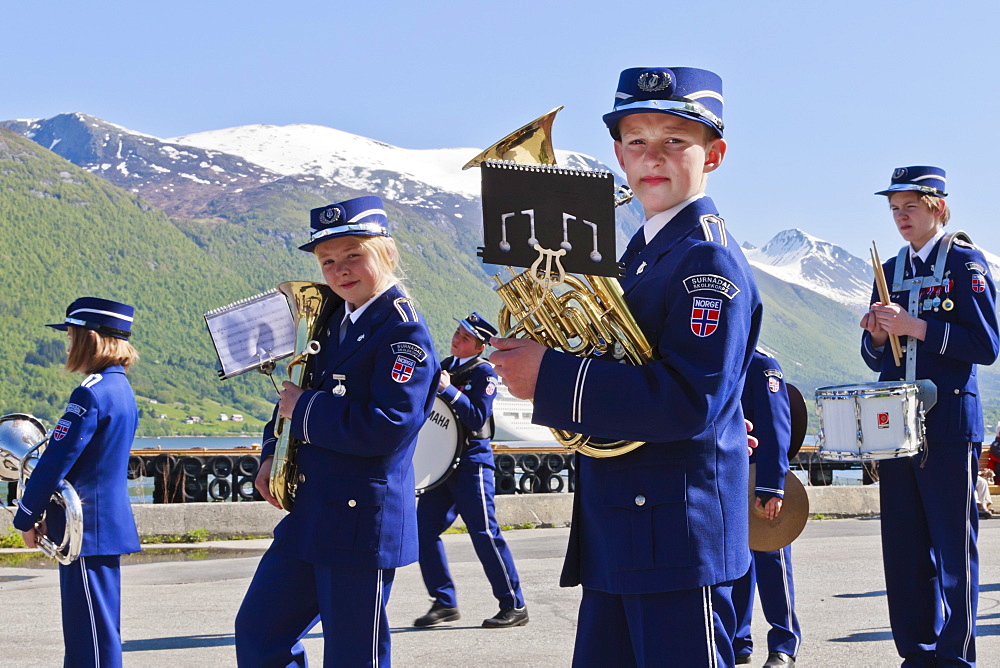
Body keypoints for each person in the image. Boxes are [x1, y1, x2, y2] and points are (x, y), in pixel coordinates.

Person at [491, 67, 763, 666]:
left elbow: (689, 401)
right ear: (617, 154)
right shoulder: (641, 251)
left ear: (713, 155)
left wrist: (552, 376)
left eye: (675, 141)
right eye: (636, 141)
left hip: (673, 534)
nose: (652, 157)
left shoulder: (706, 258)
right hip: (624, 527)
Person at [234, 195, 440, 667]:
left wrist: (305, 409)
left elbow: (387, 428)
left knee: (353, 656)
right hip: (312, 513)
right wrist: (271, 453)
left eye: (354, 255)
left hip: (359, 523)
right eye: (328, 260)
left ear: (385, 253)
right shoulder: (329, 320)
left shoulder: (404, 333)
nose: (340, 269)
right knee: (259, 632)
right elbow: (293, 392)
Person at [860, 166, 999, 666]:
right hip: (896, 424)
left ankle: (955, 656)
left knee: (953, 550)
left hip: (947, 424)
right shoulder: (890, 268)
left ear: (937, 206)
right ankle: (916, 652)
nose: (900, 217)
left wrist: (916, 325)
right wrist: (877, 334)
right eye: (894, 209)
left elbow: (986, 345)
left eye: (909, 207)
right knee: (903, 548)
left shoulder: (965, 262)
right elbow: (877, 355)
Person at [14, 297, 141, 667]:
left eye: (71, 336)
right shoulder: (120, 388)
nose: (68, 346)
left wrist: (26, 516)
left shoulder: (90, 392)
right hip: (99, 527)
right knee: (93, 632)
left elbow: (56, 460)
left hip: (86, 530)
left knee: (92, 640)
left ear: (90, 338)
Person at [413, 312, 528, 629]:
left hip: (472, 462)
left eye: (465, 337)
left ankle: (514, 603)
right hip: (442, 464)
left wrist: (449, 391)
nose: (456, 338)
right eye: (457, 332)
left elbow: (477, 416)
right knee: (423, 532)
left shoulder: (484, 373)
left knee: (484, 533)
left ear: (479, 347)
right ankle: (444, 601)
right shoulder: (444, 369)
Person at [733, 350, 801, 667]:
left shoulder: (762, 365)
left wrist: (773, 486)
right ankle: (737, 640)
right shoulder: (719, 357)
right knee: (734, 563)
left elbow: (776, 426)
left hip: (759, 476)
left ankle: (784, 644)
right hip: (727, 477)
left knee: (772, 561)